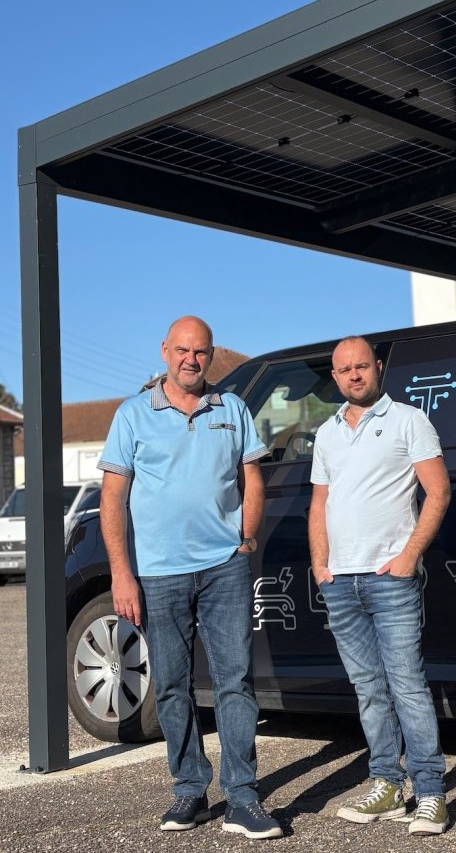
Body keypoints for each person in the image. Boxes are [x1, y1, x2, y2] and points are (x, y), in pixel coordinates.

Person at [98, 315, 282, 841]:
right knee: (173, 686)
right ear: (164, 351)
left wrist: (246, 536)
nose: (190, 360)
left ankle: (243, 799)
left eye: (200, 352)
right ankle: (189, 790)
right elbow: (113, 497)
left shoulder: (233, 409)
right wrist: (121, 573)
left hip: (224, 566)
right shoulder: (133, 415)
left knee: (235, 682)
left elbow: (251, 475)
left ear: (211, 354)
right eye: (181, 350)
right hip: (158, 573)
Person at [309, 336, 452, 836]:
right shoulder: (325, 433)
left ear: (378, 367)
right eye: (344, 369)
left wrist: (409, 555)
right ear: (335, 376)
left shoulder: (409, 420)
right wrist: (320, 565)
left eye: (362, 366)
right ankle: (387, 784)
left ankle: (431, 791)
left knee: (408, 685)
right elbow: (320, 503)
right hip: (340, 583)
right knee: (368, 689)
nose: (354, 375)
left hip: (389, 579)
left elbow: (438, 490)